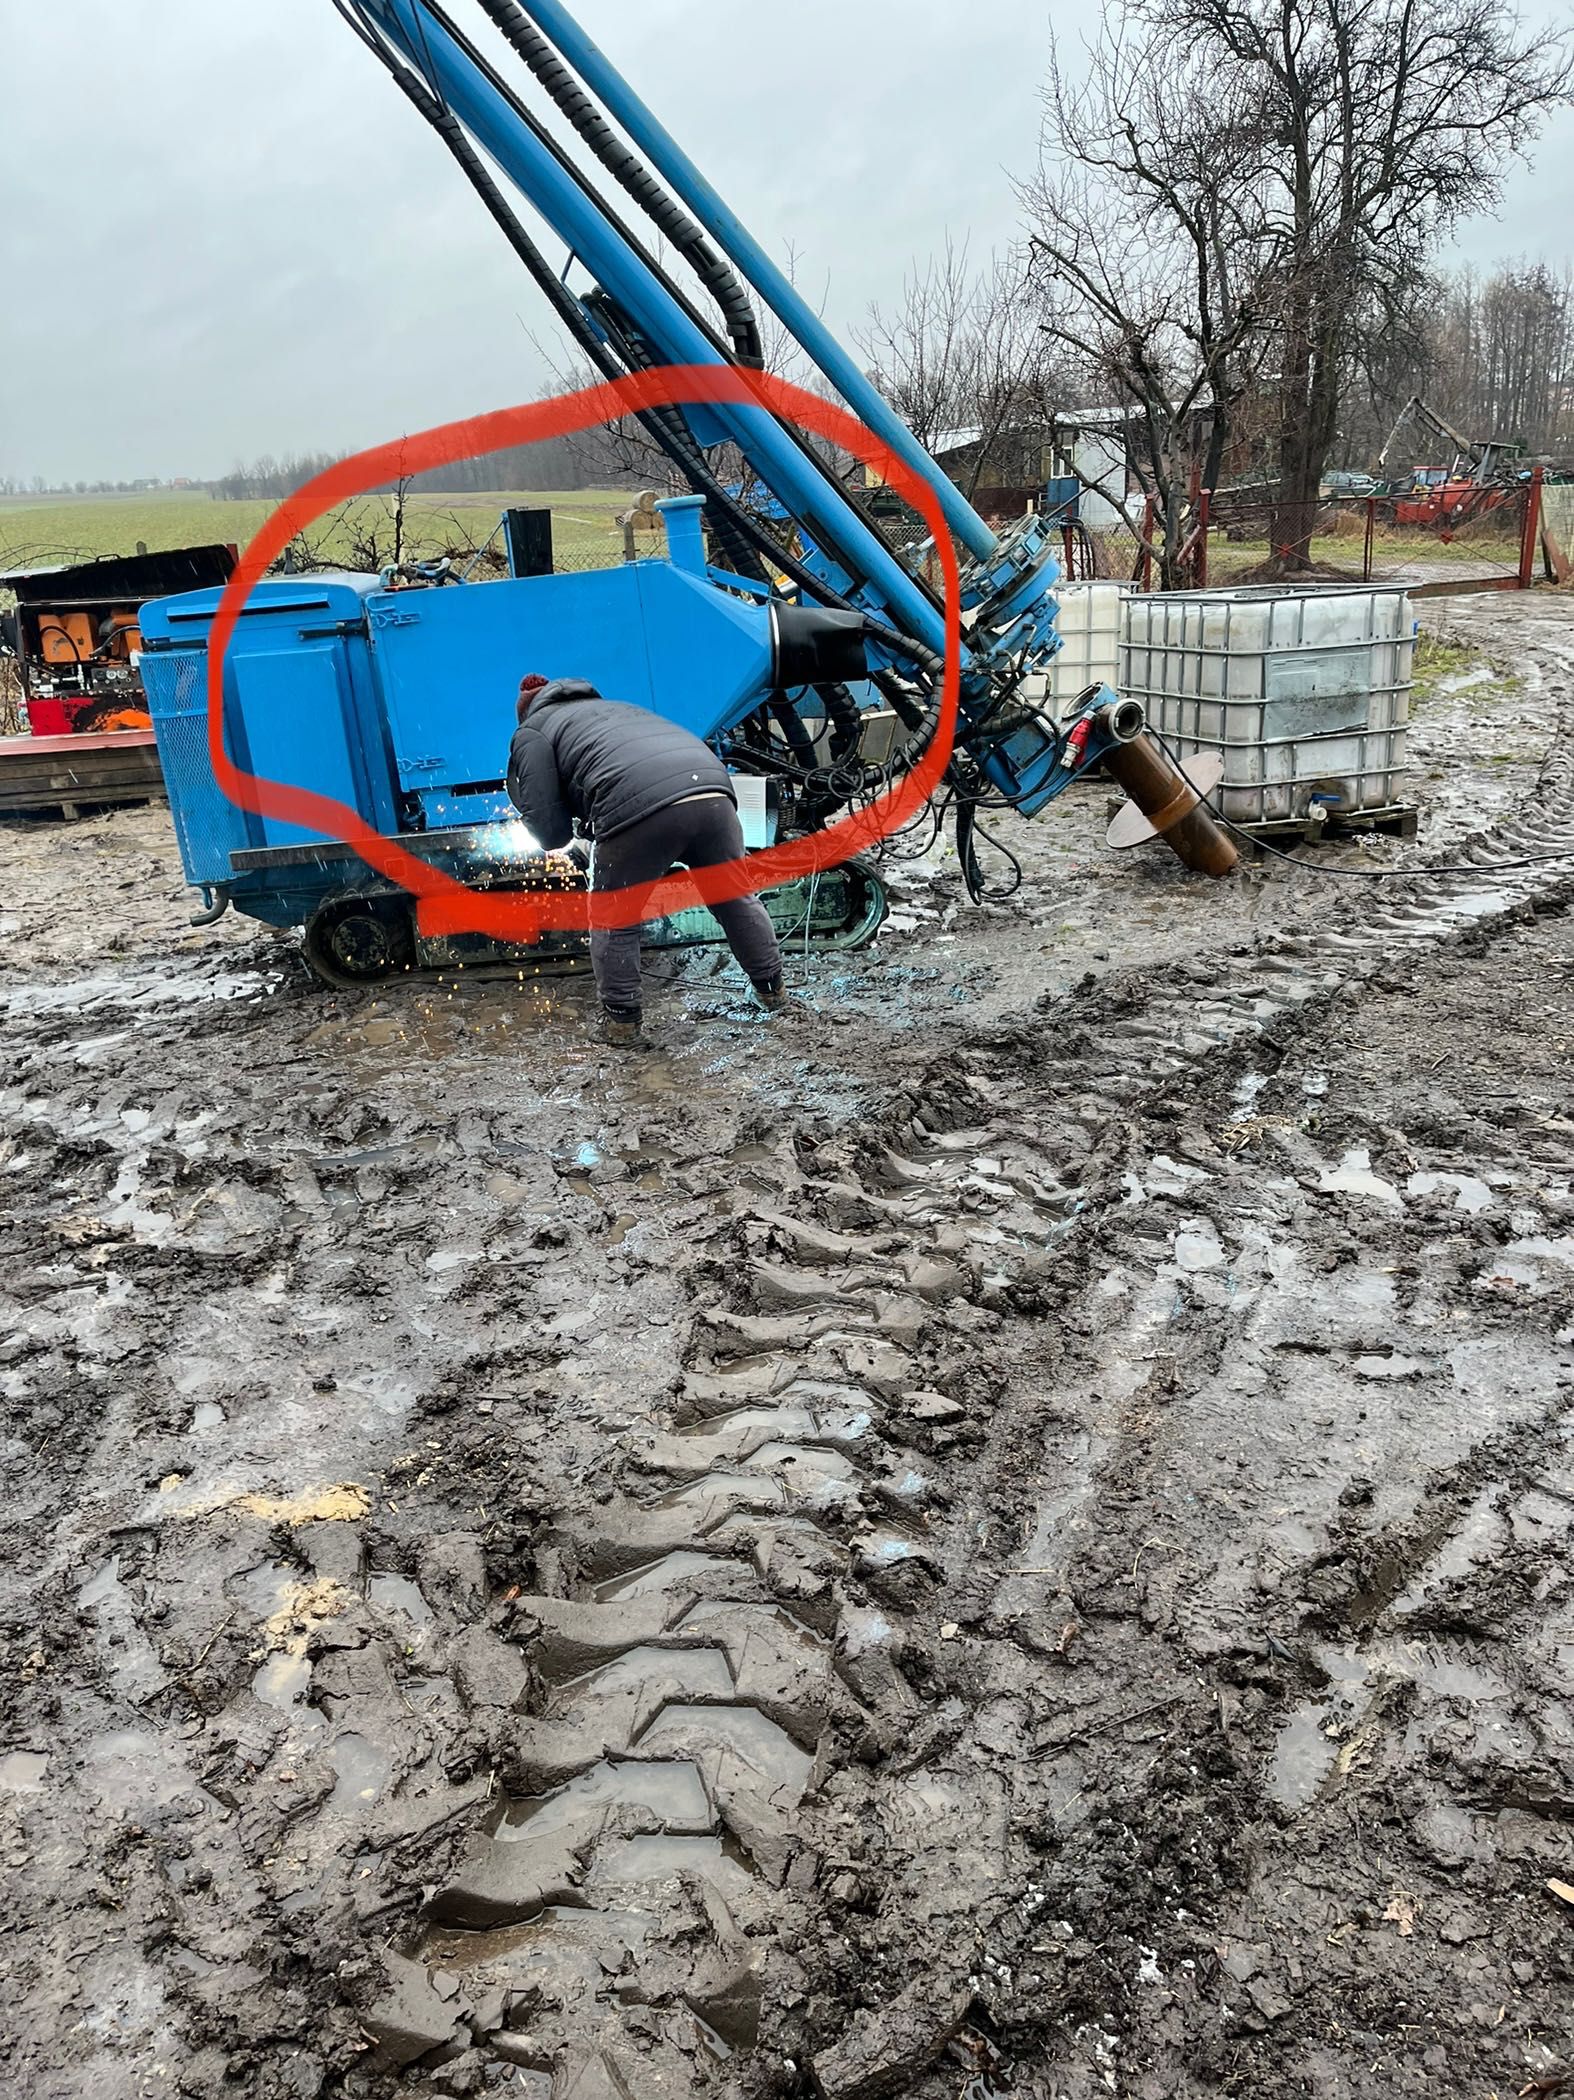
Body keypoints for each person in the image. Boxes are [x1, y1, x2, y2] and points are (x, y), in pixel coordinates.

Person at [506, 674, 785, 1047]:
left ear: (526, 711)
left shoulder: (533, 730)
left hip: (640, 807)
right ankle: (773, 993)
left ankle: (621, 1026)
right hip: (714, 795)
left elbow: (549, 827)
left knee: (614, 919)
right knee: (735, 899)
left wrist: (572, 835)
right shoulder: (615, 708)